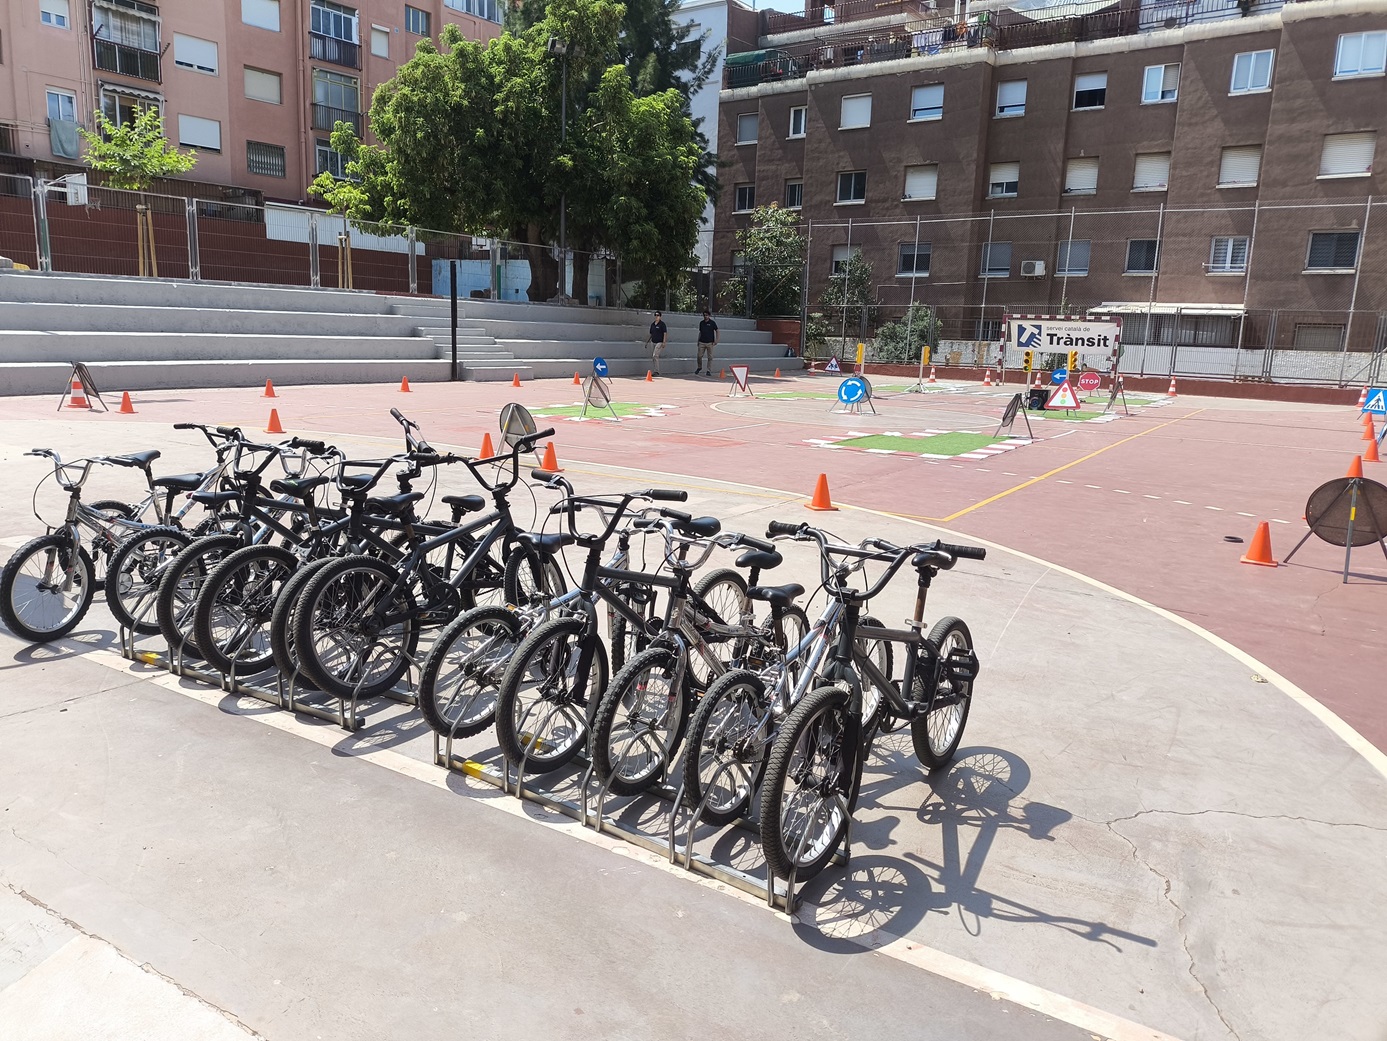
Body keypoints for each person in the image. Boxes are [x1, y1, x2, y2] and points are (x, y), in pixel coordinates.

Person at [695, 310, 720, 376]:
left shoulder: (712, 323)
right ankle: (699, 367)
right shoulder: (701, 323)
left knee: (710, 357)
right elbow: (700, 332)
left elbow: (717, 330)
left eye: (707, 315)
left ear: (709, 316)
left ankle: (709, 370)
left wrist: (716, 340)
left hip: (710, 343)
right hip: (702, 342)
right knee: (699, 356)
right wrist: (698, 341)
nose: (705, 316)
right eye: (704, 315)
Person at [644, 311, 668, 376]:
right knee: (653, 357)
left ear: (660, 316)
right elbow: (651, 334)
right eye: (655, 315)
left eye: (657, 315)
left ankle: (657, 371)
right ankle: (655, 370)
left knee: (655, 355)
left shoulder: (662, 324)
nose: (656, 316)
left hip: (659, 342)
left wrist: (664, 342)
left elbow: (665, 333)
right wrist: (647, 342)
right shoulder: (652, 324)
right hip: (653, 341)